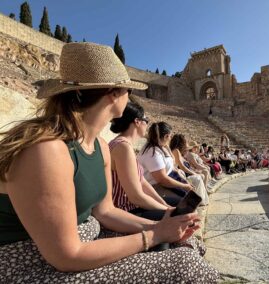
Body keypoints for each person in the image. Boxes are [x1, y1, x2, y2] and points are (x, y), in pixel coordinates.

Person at [0, 42, 218, 282]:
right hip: (28, 261)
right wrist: (154, 234)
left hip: (84, 240)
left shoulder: (100, 147)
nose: (129, 97)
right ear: (113, 94)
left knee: (187, 245)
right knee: (184, 265)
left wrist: (164, 223)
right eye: (127, 90)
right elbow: (65, 255)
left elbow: (105, 211)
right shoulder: (45, 151)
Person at [109, 101, 178, 221]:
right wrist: (166, 210)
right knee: (179, 213)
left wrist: (163, 204)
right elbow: (136, 196)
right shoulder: (122, 147)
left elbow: (142, 182)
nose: (147, 124)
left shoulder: (124, 145)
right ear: (137, 121)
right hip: (126, 209)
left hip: (133, 205)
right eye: (146, 120)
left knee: (180, 204)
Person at [169, 134, 209, 204]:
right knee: (198, 177)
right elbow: (182, 167)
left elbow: (186, 165)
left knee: (200, 175)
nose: (186, 144)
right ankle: (199, 200)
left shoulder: (179, 152)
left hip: (181, 172)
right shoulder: (176, 151)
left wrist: (194, 171)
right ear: (181, 142)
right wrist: (193, 173)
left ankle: (200, 198)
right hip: (179, 174)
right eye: (185, 142)